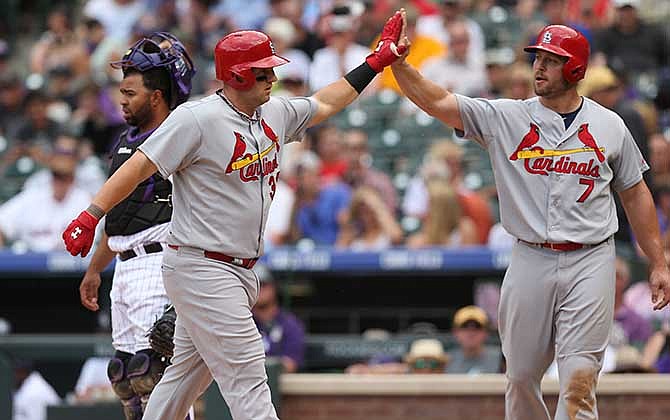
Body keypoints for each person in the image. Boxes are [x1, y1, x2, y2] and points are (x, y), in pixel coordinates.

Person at [63, 13, 406, 420]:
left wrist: (375, 62)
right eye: (263, 72)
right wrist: (90, 214)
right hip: (201, 266)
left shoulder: (273, 113)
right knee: (249, 381)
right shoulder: (197, 118)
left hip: (238, 268)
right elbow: (139, 166)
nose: (271, 79)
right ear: (238, 76)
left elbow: (326, 101)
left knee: (180, 381)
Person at [390, 11, 670, 420]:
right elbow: (438, 101)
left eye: (551, 59)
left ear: (574, 67)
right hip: (529, 256)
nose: (539, 66)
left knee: (579, 377)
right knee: (520, 376)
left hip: (591, 257)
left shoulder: (610, 125)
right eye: (537, 58)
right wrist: (400, 65)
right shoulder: (508, 116)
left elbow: (636, 192)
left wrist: (658, 260)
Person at [76, 31, 196, 420]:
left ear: (157, 96)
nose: (122, 100)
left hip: (158, 261)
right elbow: (119, 217)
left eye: (131, 93)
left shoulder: (182, 136)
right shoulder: (127, 140)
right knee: (126, 378)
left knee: (156, 375)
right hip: (124, 264)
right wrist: (95, 268)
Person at [251, 264, 305, 373]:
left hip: (278, 385)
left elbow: (290, 365)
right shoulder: (241, 322)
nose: (259, 289)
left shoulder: (289, 324)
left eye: (263, 284)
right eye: (255, 284)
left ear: (274, 287)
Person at [446, 305, 501, 374]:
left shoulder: (501, 360)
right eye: (464, 326)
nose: (471, 333)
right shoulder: (445, 361)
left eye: (477, 327)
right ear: (455, 332)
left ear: (486, 332)